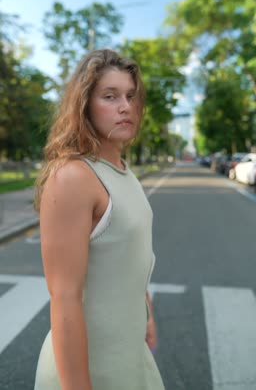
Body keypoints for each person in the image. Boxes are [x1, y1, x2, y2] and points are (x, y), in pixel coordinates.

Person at [33, 48, 165, 390]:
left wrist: (146, 309)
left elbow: (128, 255)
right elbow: (64, 298)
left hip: (130, 358)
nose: (126, 106)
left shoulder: (123, 171)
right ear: (84, 105)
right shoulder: (73, 177)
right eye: (110, 96)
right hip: (89, 369)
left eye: (131, 96)